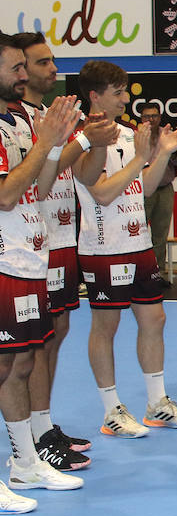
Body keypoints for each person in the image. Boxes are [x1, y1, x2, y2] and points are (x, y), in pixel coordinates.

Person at [71, 60, 177, 433]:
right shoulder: (81, 137)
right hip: (103, 246)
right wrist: (144, 158)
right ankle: (112, 411)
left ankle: (157, 403)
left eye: (126, 91)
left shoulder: (129, 134)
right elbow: (104, 192)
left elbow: (143, 186)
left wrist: (163, 152)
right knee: (105, 325)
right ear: (95, 96)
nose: (126, 99)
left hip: (138, 241)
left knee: (155, 318)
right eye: (118, 93)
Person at [13, 32, 108, 470]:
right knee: (33, 343)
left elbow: (83, 172)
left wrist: (94, 142)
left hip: (59, 236)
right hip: (29, 242)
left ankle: (43, 422)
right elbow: (34, 175)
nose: (53, 69)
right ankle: (33, 431)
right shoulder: (25, 118)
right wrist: (81, 140)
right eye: (42, 62)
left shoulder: (51, 115)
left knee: (54, 335)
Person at [0, 33, 84, 509]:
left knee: (22, 362)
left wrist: (50, 147)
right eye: (14, 68)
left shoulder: (17, 120)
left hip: (29, 256)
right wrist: (47, 144)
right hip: (3, 260)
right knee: (2, 365)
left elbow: (42, 183)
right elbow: (6, 194)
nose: (23, 76)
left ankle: (25, 463)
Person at [139, 102, 177, 285]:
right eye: (146, 117)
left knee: (160, 235)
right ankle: (139, 275)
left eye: (154, 116)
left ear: (159, 117)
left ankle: (158, 274)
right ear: (141, 119)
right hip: (141, 191)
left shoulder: (167, 136)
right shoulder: (135, 137)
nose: (150, 120)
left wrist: (171, 152)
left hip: (165, 188)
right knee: (138, 234)